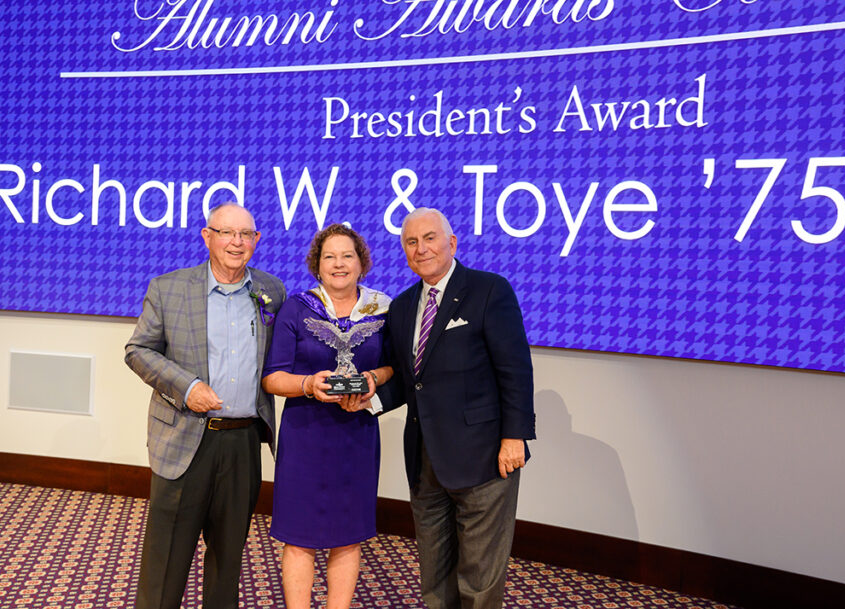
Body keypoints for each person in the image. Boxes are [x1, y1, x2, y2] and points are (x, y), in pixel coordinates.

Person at [346, 207, 536, 609]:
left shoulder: (489, 290)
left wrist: (514, 436)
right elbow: (408, 378)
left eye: (430, 238)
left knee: (480, 577)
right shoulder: (401, 306)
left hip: (485, 457)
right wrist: (369, 399)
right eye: (411, 242)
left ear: (452, 242)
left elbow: (515, 369)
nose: (421, 248)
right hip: (424, 460)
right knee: (434, 575)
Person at [124, 202, 286, 609]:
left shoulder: (272, 291)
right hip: (184, 438)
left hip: (242, 443)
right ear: (206, 236)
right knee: (166, 563)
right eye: (226, 232)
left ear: (257, 241)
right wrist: (187, 386)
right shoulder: (169, 288)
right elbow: (138, 351)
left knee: (229, 562)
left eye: (246, 234)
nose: (237, 242)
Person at [261, 224, 393, 609]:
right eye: (329, 256)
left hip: (356, 434)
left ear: (361, 263)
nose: (339, 264)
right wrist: (308, 385)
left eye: (347, 255)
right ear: (317, 265)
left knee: (348, 535)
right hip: (305, 434)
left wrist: (370, 379)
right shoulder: (297, 308)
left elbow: (394, 368)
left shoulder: (384, 308)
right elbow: (272, 377)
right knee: (299, 537)